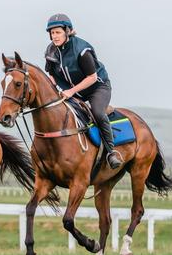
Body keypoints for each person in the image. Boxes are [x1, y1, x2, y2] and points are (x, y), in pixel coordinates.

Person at [43, 13, 122, 169]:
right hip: (72, 90)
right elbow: (51, 75)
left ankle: (110, 152)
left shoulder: (81, 49)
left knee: (98, 113)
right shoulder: (51, 51)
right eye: (52, 33)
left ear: (68, 31)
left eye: (58, 32)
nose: (54, 36)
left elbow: (92, 77)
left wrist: (71, 91)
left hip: (97, 87)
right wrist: (54, 91)